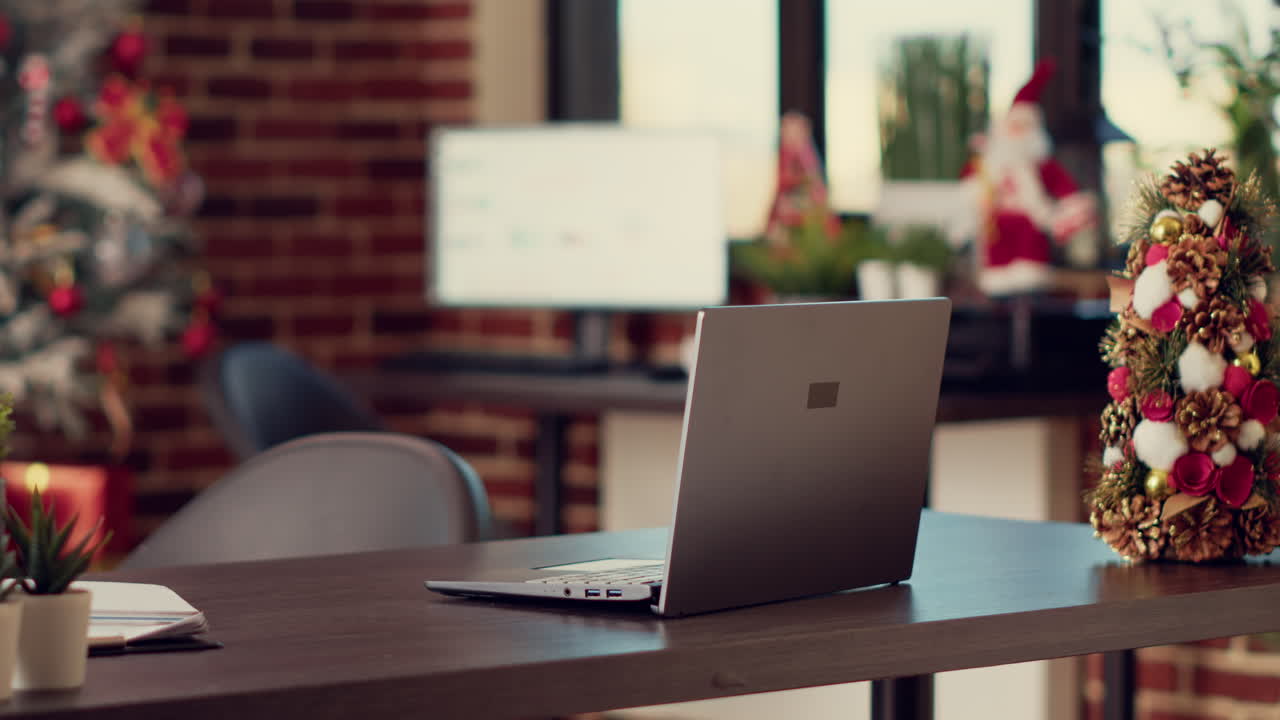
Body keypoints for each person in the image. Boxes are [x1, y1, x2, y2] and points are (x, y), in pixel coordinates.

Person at [961, 60, 1096, 296]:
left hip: (1031, 226)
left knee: (1030, 267)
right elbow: (970, 183)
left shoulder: (1042, 166)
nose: (1016, 133)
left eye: (1023, 127)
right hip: (995, 227)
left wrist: (1071, 212)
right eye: (1013, 126)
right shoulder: (989, 162)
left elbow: (1066, 189)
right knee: (996, 268)